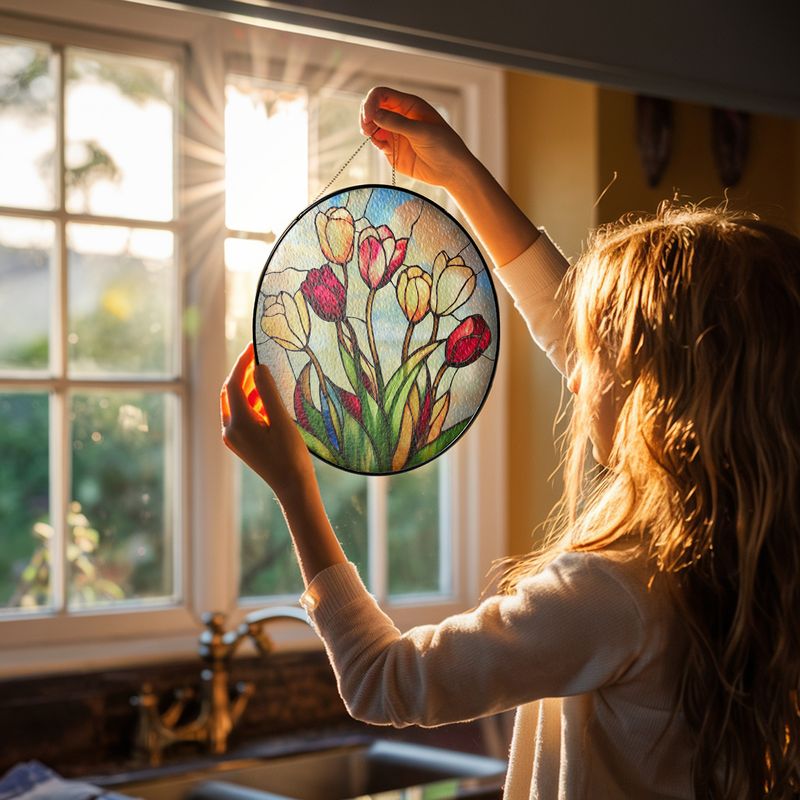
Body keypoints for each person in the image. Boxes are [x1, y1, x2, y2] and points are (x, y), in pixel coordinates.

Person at [220, 86, 800, 798]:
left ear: (656, 394)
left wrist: (292, 484)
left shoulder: (615, 593)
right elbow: (569, 319)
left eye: (597, 356)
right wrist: (459, 172)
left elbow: (385, 682)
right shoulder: (748, 547)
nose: (578, 373)